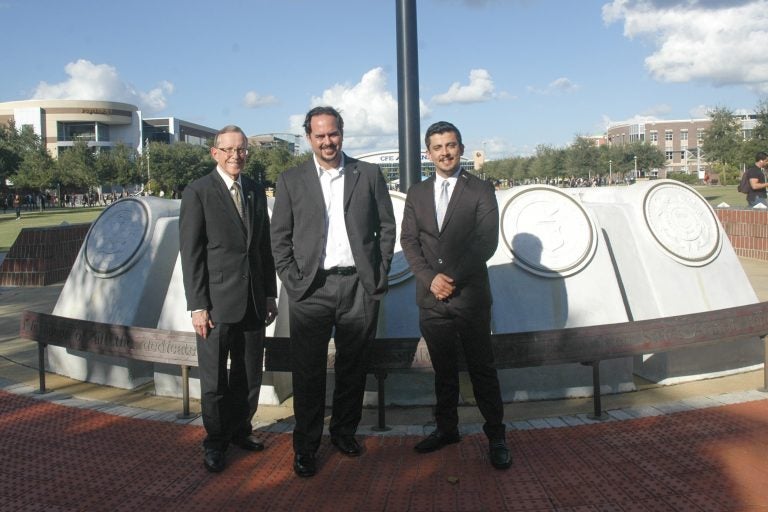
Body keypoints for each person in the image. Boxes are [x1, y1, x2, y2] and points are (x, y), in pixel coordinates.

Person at [270, 106, 396, 478]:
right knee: (308, 371)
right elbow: (279, 238)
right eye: (320, 135)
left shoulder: (368, 174)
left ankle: (343, 432)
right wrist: (293, 280)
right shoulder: (291, 179)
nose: (328, 141)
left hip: (358, 286)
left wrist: (378, 273)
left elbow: (386, 228)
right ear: (309, 137)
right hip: (311, 289)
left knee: (353, 366)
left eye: (333, 134)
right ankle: (306, 446)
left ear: (342, 133)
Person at [400, 121, 511, 470]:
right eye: (438, 147)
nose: (445, 152)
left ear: (461, 148)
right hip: (432, 301)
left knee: (482, 370)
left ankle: (496, 436)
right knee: (443, 372)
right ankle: (446, 429)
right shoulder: (416, 193)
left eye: (451, 145)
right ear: (428, 153)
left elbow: (485, 242)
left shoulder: (480, 189)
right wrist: (431, 280)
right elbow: (409, 241)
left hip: (470, 298)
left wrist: (451, 278)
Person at [179, 125, 278, 473]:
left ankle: (240, 431)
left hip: (253, 302)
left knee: (249, 375)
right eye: (230, 150)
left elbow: (263, 248)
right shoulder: (198, 192)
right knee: (215, 380)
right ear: (215, 153)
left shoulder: (253, 190)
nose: (237, 156)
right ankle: (216, 442)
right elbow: (191, 254)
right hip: (216, 306)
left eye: (242, 150)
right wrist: (198, 306)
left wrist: (269, 293)